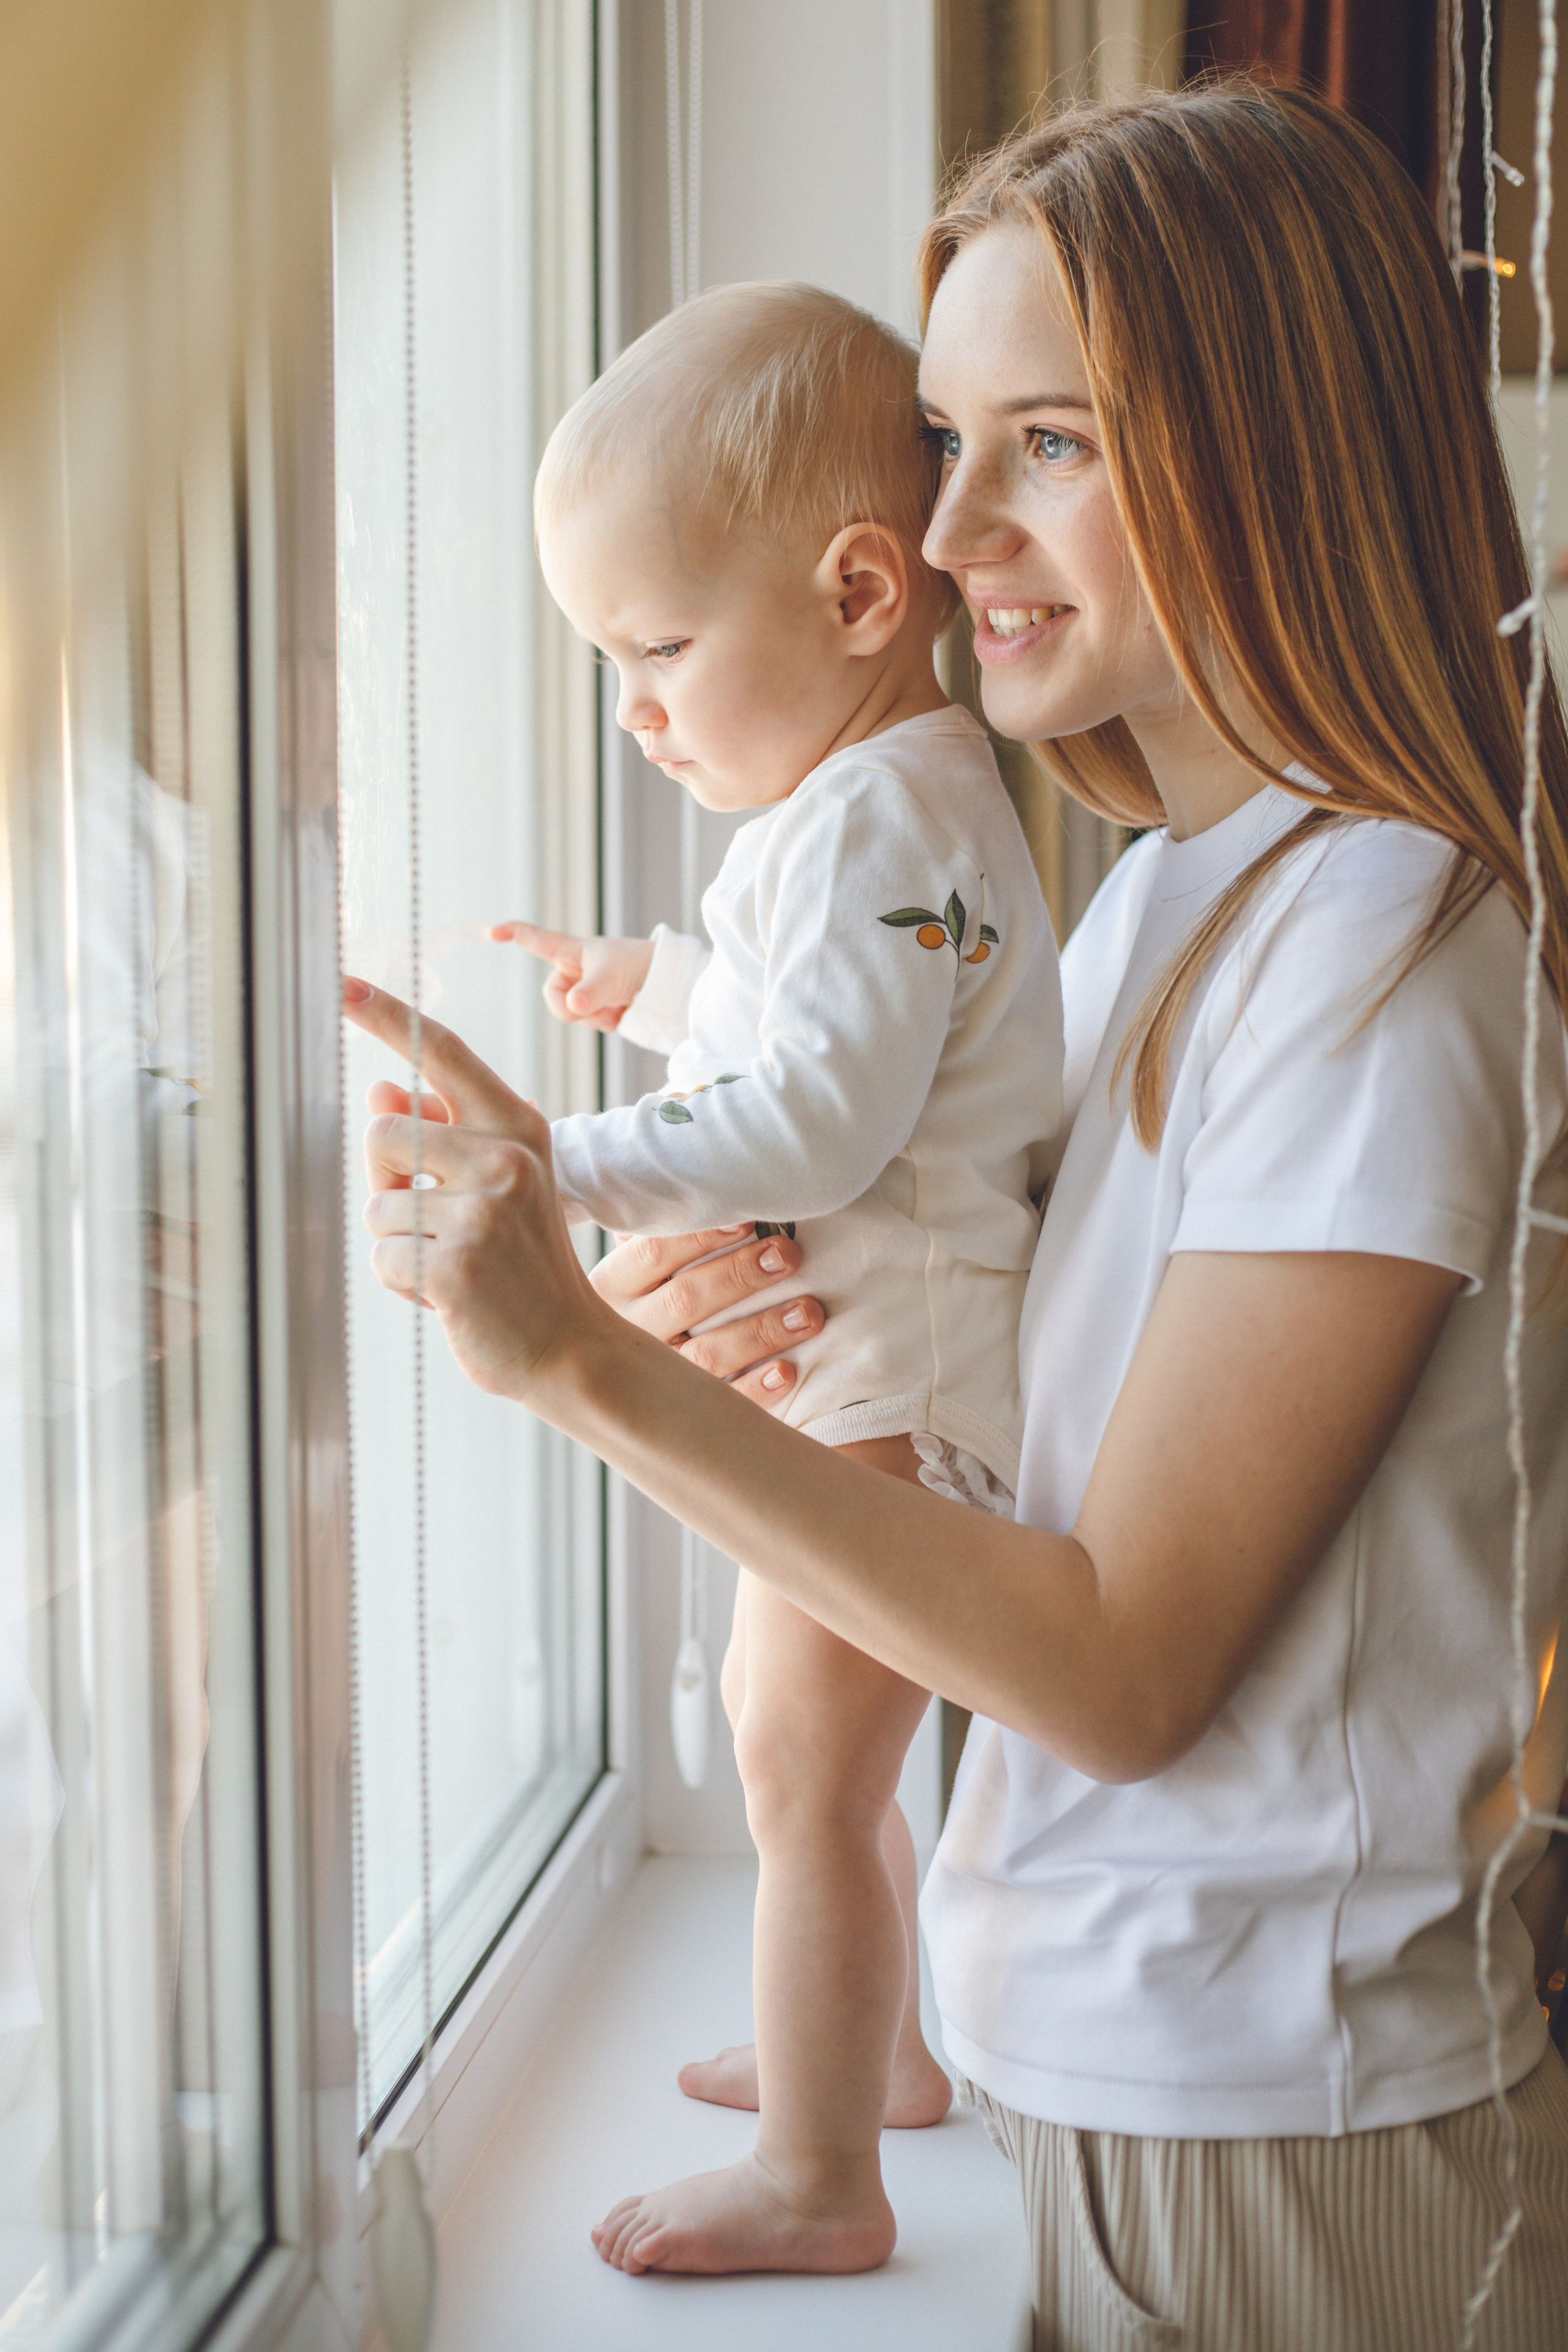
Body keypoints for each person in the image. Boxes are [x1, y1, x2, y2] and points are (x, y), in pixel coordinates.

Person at [344, 81, 1568, 2348]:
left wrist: (586, 1362)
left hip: (1279, 2143)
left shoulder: (1381, 950)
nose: (943, 521)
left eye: (1053, 444)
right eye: (943, 435)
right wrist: (777, 1333)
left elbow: (1112, 1669)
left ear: (1272, 450)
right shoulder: (1154, 913)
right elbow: (1037, 1453)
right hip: (1130, 2095)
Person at [357, 279, 1065, 2276]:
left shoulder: (882, 819)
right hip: (872, 1378)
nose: (634, 708)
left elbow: (822, 1123)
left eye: (659, 647)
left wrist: (560, 1166)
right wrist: (655, 988)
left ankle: (828, 2179)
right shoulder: (876, 810)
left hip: (894, 1396)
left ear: (856, 595)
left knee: (798, 1760)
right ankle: (876, 2056)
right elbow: (817, 1038)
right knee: (813, 1765)